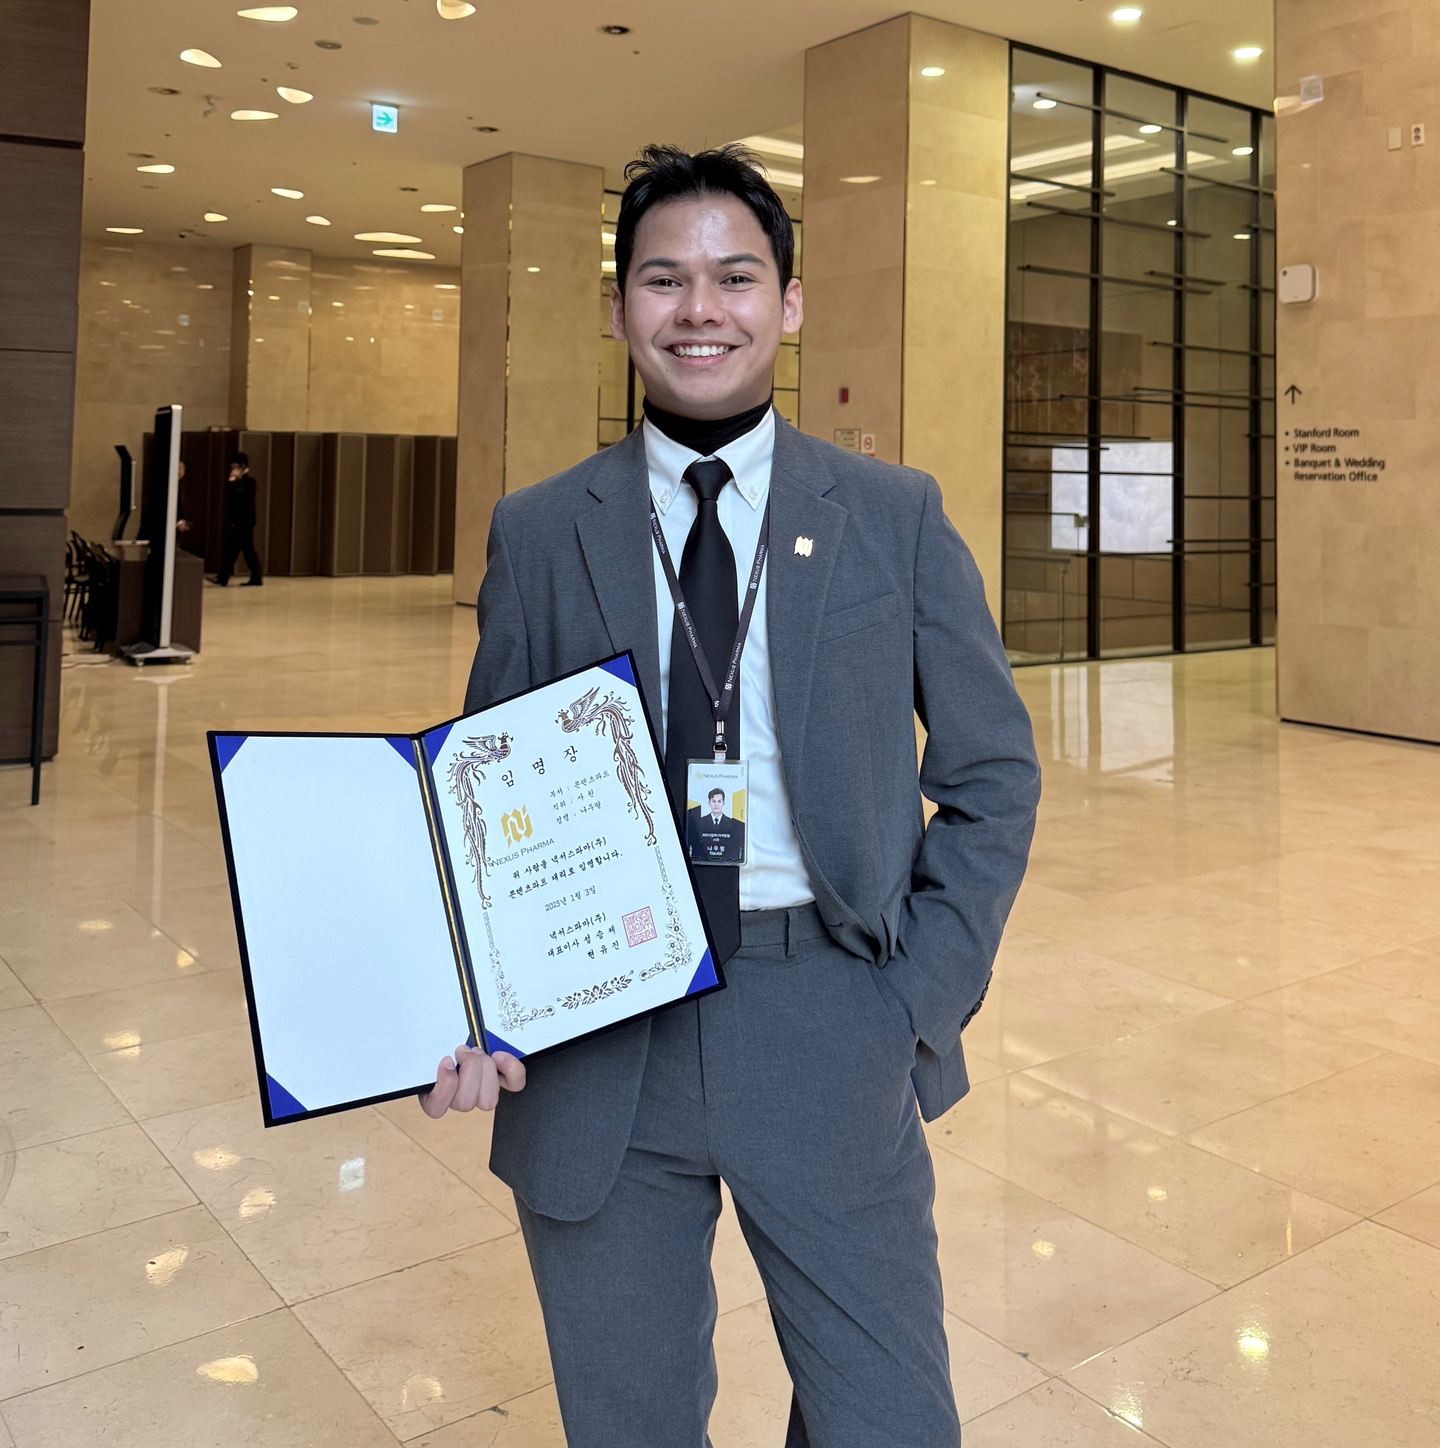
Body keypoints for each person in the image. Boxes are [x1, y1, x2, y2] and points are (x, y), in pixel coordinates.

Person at [422, 144, 1040, 1447]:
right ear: (619, 311)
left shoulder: (891, 514)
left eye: (734, 276)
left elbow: (992, 774)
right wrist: (464, 1005)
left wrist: (916, 999)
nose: (699, 308)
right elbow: (482, 799)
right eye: (664, 279)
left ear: (789, 303)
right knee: (630, 1422)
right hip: (600, 1040)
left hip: (825, 1013)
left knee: (890, 1420)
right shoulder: (543, 529)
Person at [214, 452, 262, 586]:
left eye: (235, 466)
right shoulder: (238, 482)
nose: (233, 469)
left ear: (242, 466)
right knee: (246, 550)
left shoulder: (249, 481)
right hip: (238, 522)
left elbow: (243, 498)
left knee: (233, 550)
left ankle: (223, 578)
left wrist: (234, 482)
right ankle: (256, 577)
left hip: (245, 522)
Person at [687, 785, 745, 863]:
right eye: (713, 801)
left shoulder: (733, 823)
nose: (716, 804)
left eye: (719, 801)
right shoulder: (699, 822)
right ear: (709, 802)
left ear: (723, 803)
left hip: (728, 864)